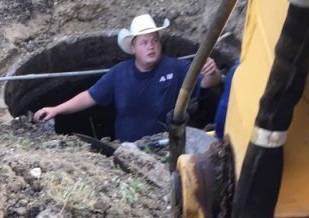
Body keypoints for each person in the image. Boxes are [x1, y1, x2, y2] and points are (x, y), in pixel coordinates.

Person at [34, 14, 221, 142]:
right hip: (126, 152)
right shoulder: (119, 73)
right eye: (144, 42)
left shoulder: (175, 67)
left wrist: (212, 72)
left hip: (165, 148)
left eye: (155, 41)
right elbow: (90, 96)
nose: (151, 46)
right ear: (133, 48)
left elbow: (206, 83)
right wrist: (56, 109)